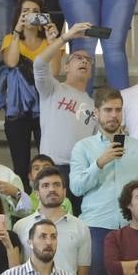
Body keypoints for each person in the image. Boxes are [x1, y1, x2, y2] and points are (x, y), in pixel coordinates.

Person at [72, 88, 138, 275]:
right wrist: (100, 162)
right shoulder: (83, 147)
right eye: (108, 110)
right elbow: (76, 187)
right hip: (97, 225)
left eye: (118, 109)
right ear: (96, 113)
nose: (113, 115)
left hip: (134, 227)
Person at [0, 0, 63, 182]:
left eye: (36, 12)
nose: (30, 15)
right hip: (17, 110)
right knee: (20, 165)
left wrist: (54, 42)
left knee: (48, 163)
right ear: (18, 14)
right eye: (25, 11)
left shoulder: (51, 42)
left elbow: (55, 71)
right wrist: (17, 31)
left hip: (45, 109)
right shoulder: (10, 39)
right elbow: (11, 62)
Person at [34, 22, 98, 181]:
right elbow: (39, 64)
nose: (84, 62)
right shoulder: (52, 89)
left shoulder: (94, 106)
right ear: (66, 67)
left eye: (88, 60)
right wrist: (65, 37)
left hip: (80, 171)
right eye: (78, 58)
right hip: (51, 168)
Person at [14, 165, 91, 275]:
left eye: (56, 184)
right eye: (45, 185)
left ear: (64, 192)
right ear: (36, 194)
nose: (52, 189)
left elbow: (83, 270)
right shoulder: (20, 226)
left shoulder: (81, 227)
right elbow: (17, 266)